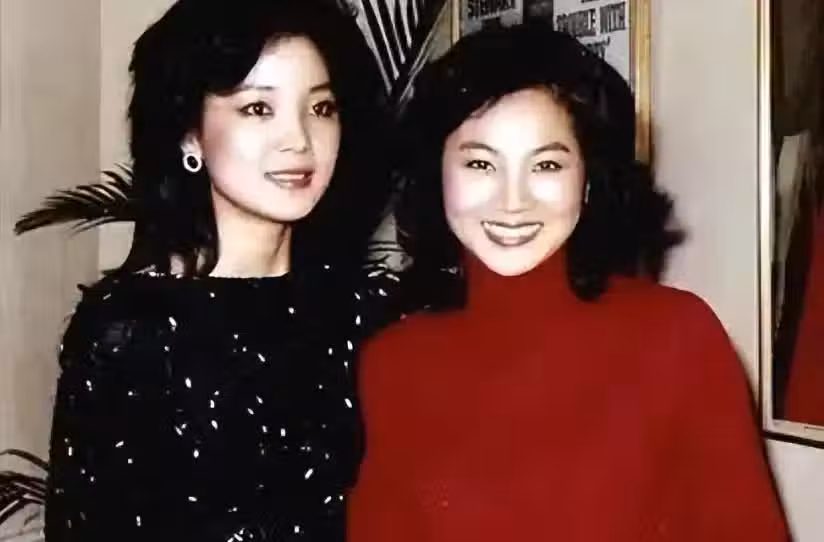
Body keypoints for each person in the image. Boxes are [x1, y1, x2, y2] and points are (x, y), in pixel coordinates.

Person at [348, 23, 790, 541]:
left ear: (588, 181)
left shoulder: (676, 338)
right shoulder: (392, 363)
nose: (513, 201)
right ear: (436, 175)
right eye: (481, 163)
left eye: (547, 164)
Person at [27, 0, 425, 540]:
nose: (299, 140)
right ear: (189, 133)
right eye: (258, 108)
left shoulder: (372, 312)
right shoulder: (128, 329)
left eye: (321, 107)